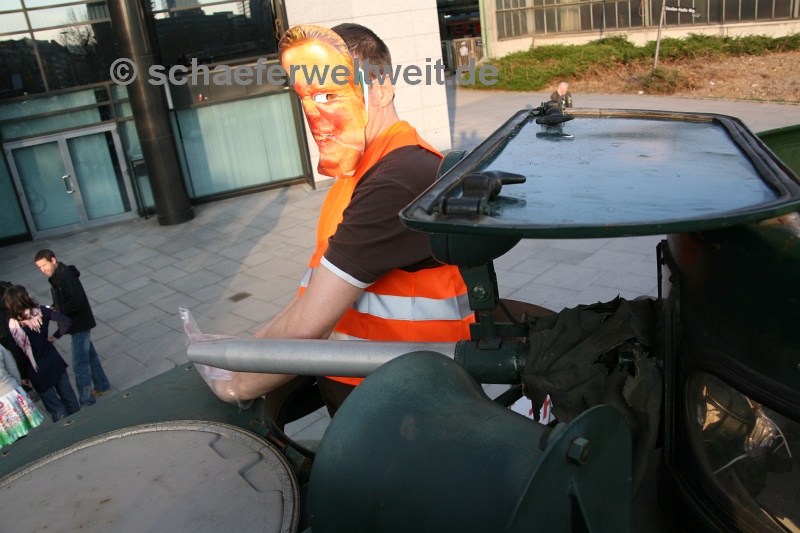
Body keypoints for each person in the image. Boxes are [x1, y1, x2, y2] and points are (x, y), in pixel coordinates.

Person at [204, 24, 474, 417]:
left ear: (382, 90)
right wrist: (245, 352)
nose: (315, 116)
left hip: (404, 402)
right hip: (374, 385)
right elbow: (312, 297)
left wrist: (234, 386)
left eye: (330, 94)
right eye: (306, 98)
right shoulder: (363, 169)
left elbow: (307, 325)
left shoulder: (395, 181)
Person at [33, 249, 111, 408]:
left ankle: (87, 401)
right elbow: (66, 300)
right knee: (90, 356)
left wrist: (58, 311)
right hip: (77, 323)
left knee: (79, 365)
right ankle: (102, 385)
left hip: (78, 325)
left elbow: (77, 301)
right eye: (39, 267)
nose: (43, 270)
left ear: (53, 260)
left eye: (44, 265)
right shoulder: (57, 276)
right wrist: (54, 308)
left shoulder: (66, 277)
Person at [4, 285, 79, 422]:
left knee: (54, 405)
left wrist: (24, 377)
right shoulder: (40, 311)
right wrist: (55, 336)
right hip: (54, 361)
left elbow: (19, 356)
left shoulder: (13, 326)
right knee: (69, 396)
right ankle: (81, 421)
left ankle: (67, 427)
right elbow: (66, 321)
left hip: (37, 370)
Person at [0, 343, 44, 447]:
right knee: (20, 433)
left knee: (7, 438)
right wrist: (18, 386)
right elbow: (12, 367)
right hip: (10, 392)